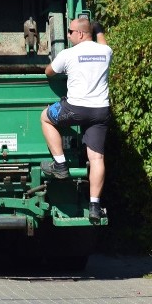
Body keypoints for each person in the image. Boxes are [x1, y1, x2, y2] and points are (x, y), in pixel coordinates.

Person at [40, 17, 112, 222]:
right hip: (100, 112)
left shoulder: (68, 54)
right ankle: (95, 206)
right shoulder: (105, 52)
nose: (69, 35)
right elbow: (102, 41)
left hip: (75, 109)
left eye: (70, 32)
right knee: (97, 158)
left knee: (45, 118)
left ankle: (60, 165)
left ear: (80, 34)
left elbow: (49, 72)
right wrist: (98, 29)